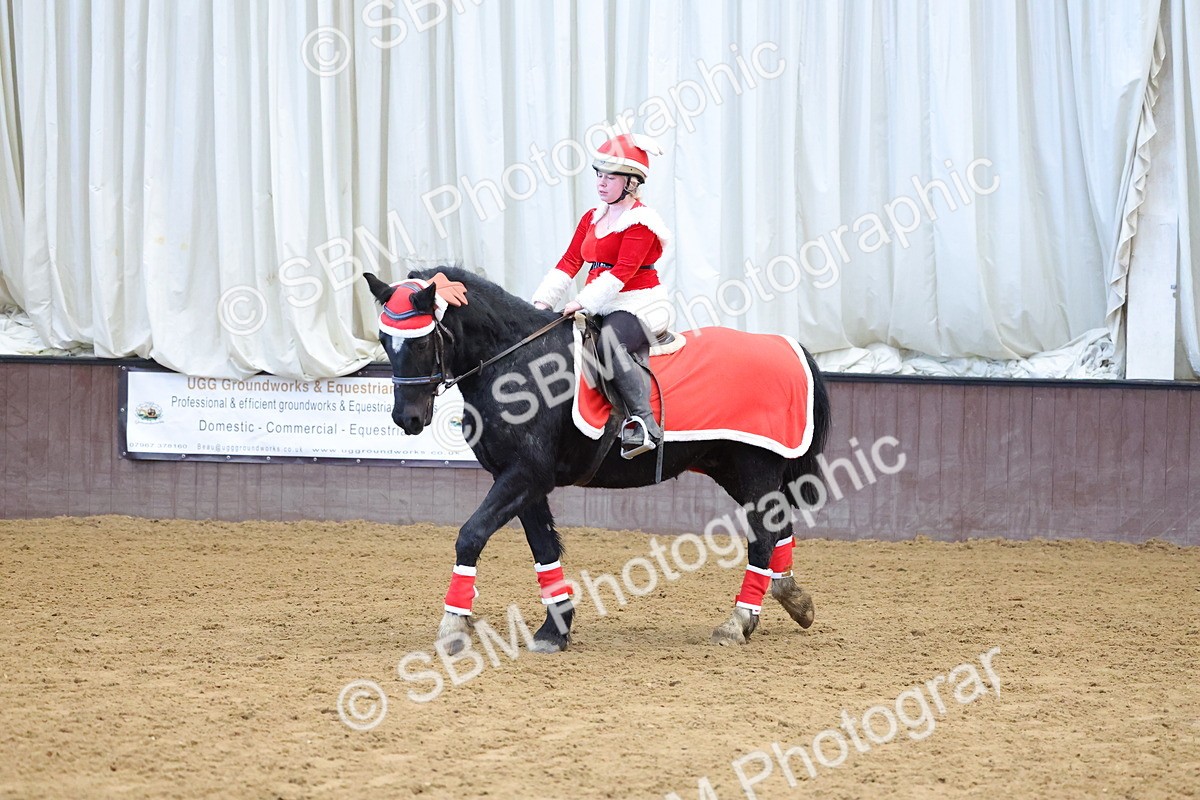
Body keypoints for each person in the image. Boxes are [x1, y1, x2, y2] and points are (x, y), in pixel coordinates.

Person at [531, 133, 672, 459]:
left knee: (609, 343)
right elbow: (569, 262)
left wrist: (581, 302)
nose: (601, 183)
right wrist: (540, 305)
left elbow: (622, 272)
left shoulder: (642, 221)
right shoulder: (592, 218)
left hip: (638, 302)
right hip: (601, 301)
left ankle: (644, 422)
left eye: (611, 177)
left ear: (633, 183)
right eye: (599, 175)